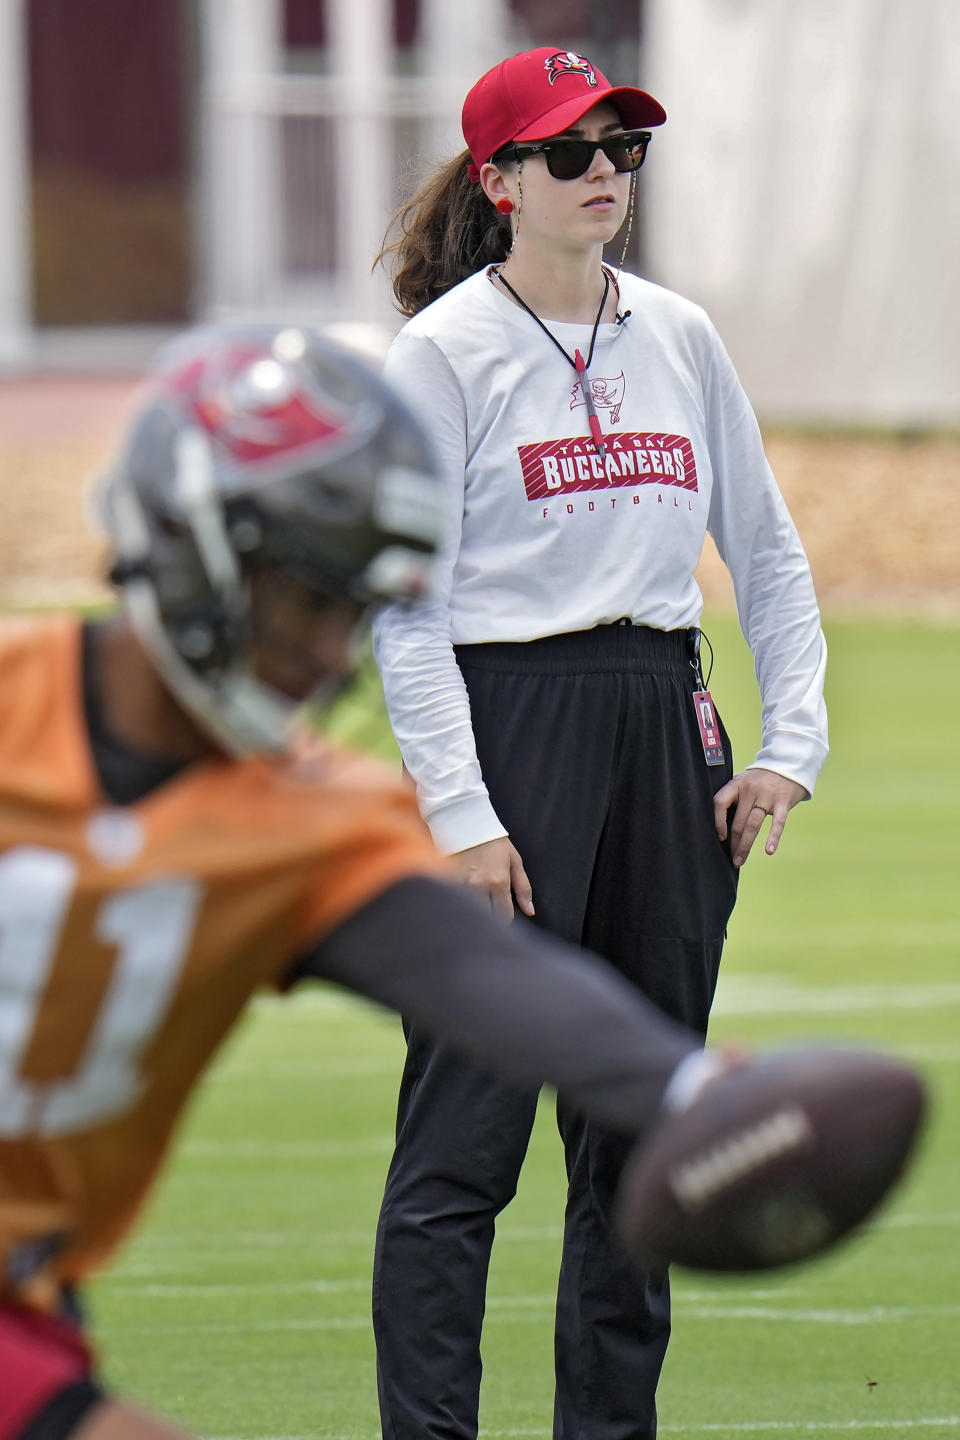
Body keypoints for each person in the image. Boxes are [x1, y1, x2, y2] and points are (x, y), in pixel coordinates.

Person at [0, 322, 825, 1440]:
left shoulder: (303, 815)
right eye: (311, 598)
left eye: (359, 610)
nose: (331, 654)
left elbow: (483, 978)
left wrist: (685, 1092)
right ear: (199, 545)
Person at [370, 46, 829, 1440]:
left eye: (623, 150)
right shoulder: (442, 355)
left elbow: (767, 554)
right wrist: (461, 811)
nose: (605, 176)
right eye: (571, 153)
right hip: (514, 729)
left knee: (643, 1140)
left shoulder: (680, 334)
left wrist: (787, 745)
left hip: (664, 721)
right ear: (501, 182)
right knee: (464, 1145)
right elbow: (405, 611)